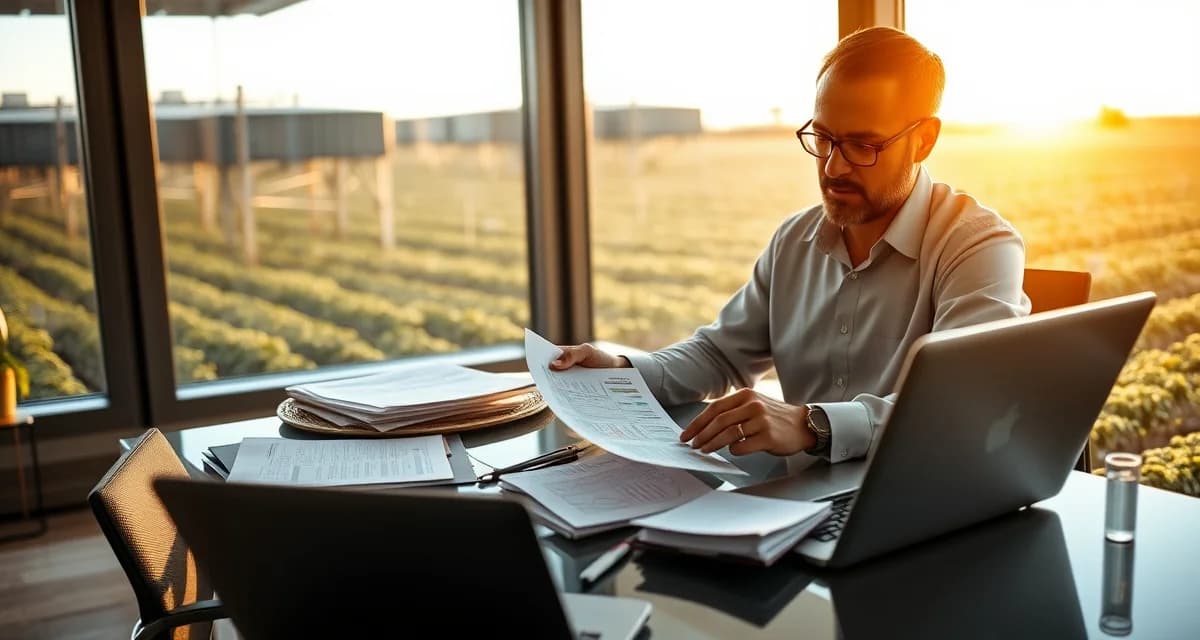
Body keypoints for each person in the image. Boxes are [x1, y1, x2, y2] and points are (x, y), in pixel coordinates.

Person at [551, 27, 1030, 467]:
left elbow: (959, 402)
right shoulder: (794, 240)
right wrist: (620, 368)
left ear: (923, 140)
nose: (832, 168)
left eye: (863, 146)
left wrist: (811, 424)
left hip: (919, 498)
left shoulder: (979, 246)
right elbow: (721, 356)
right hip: (796, 501)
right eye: (822, 138)